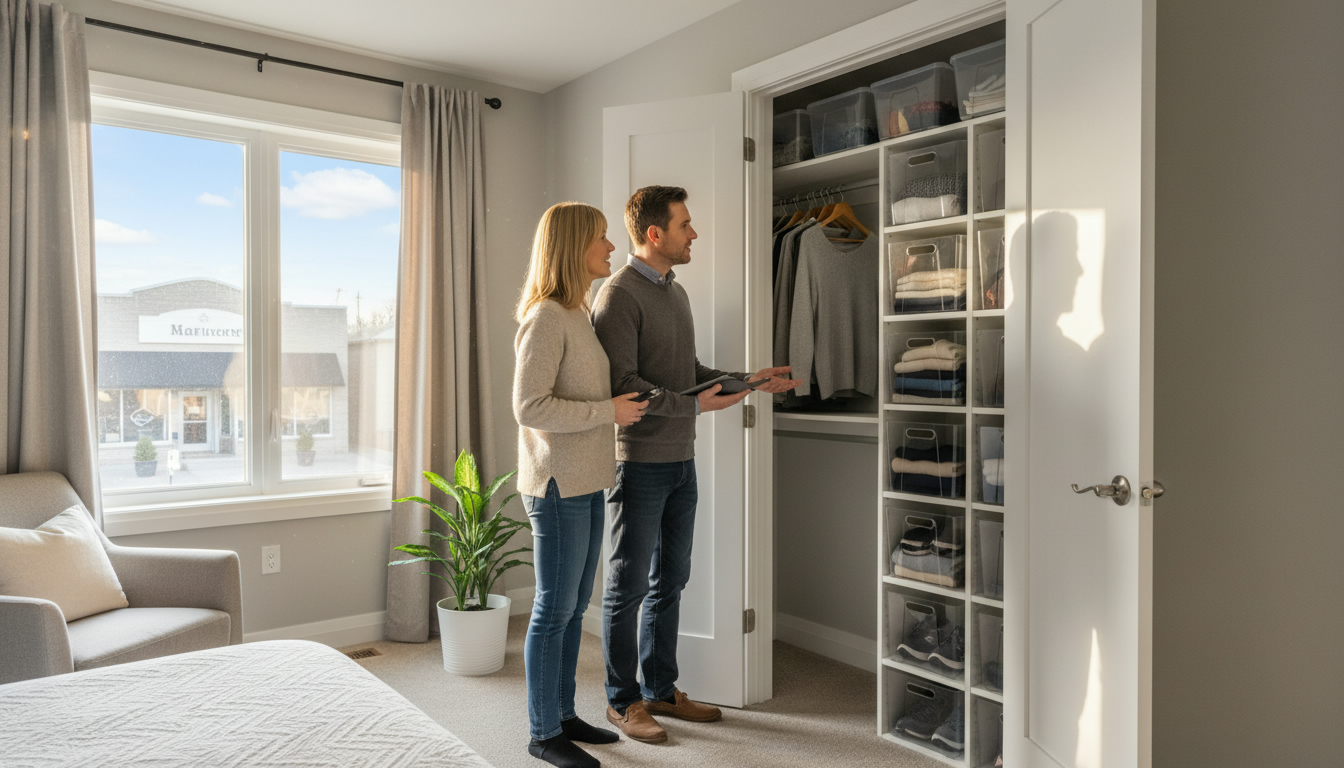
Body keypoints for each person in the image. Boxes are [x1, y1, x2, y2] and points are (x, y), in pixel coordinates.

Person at [592, 186, 801, 743]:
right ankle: (622, 700)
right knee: (628, 584)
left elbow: (687, 370)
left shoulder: (675, 293)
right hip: (638, 465)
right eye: (685, 224)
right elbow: (623, 386)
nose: (695, 233)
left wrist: (749, 380)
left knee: (673, 579)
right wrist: (693, 404)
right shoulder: (617, 296)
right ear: (655, 234)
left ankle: (661, 689)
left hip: (682, 460)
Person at [513, 202, 649, 768]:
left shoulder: (579, 311)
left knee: (572, 609)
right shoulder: (546, 316)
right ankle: (543, 733)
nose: (611, 248)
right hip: (556, 483)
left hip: (588, 480)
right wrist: (607, 411)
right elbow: (529, 405)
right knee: (553, 608)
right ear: (574, 247)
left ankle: (563, 715)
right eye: (600, 238)